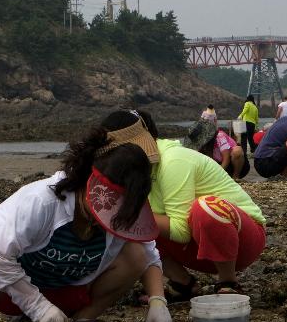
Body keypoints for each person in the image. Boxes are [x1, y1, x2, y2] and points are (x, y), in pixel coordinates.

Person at [0, 117, 171, 322]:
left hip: (65, 290)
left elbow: (148, 252)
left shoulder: (126, 207)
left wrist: (157, 300)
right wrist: (37, 306)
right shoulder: (43, 201)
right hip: (6, 287)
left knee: (135, 255)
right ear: (90, 184)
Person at [109, 111, 265, 298]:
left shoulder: (174, 160)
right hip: (199, 249)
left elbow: (181, 231)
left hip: (243, 242)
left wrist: (129, 214)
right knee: (124, 226)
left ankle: (228, 281)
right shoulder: (136, 170)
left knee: (205, 208)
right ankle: (183, 283)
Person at [182, 120, 249, 180]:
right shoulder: (201, 146)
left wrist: (217, 175)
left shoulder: (219, 136)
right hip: (219, 166)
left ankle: (235, 177)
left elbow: (226, 158)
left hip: (233, 164)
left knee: (237, 151)